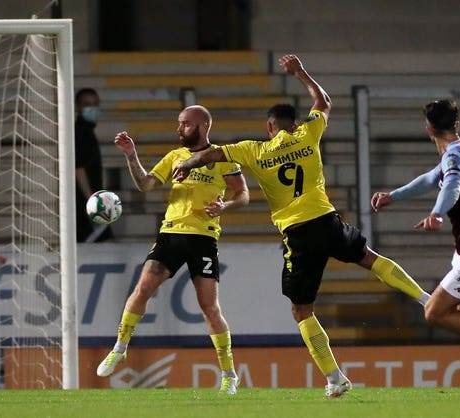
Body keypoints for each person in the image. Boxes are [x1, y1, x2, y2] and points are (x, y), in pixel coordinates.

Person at [172, 55, 431, 398]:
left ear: (269, 128)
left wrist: (188, 162)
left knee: (301, 309)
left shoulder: (255, 150)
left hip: (298, 233)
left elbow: (210, 154)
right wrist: (300, 73)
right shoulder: (308, 134)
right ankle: (426, 299)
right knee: (368, 257)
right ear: (292, 124)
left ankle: (335, 378)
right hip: (327, 220)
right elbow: (323, 101)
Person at [96, 105, 249, 395]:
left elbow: (243, 194)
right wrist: (131, 155)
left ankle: (229, 374)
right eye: (179, 124)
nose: (179, 129)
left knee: (209, 307)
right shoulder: (174, 157)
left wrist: (224, 206)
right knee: (142, 287)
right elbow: (146, 184)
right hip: (171, 234)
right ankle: (120, 347)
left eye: (185, 124)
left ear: (202, 126)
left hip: (203, 237)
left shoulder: (220, 158)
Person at [370, 99, 460, 400]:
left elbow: (451, 185)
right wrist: (393, 196)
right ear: (456, 125)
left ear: (428, 130)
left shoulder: (453, 158)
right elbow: (431, 178)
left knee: (434, 312)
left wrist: (437, 213)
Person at [75, 87, 113, 242]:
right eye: (87, 104)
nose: (92, 108)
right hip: (85, 206)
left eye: (95, 104)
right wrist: (92, 200)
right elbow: (79, 168)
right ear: (78, 107)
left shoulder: (86, 131)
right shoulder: (82, 132)